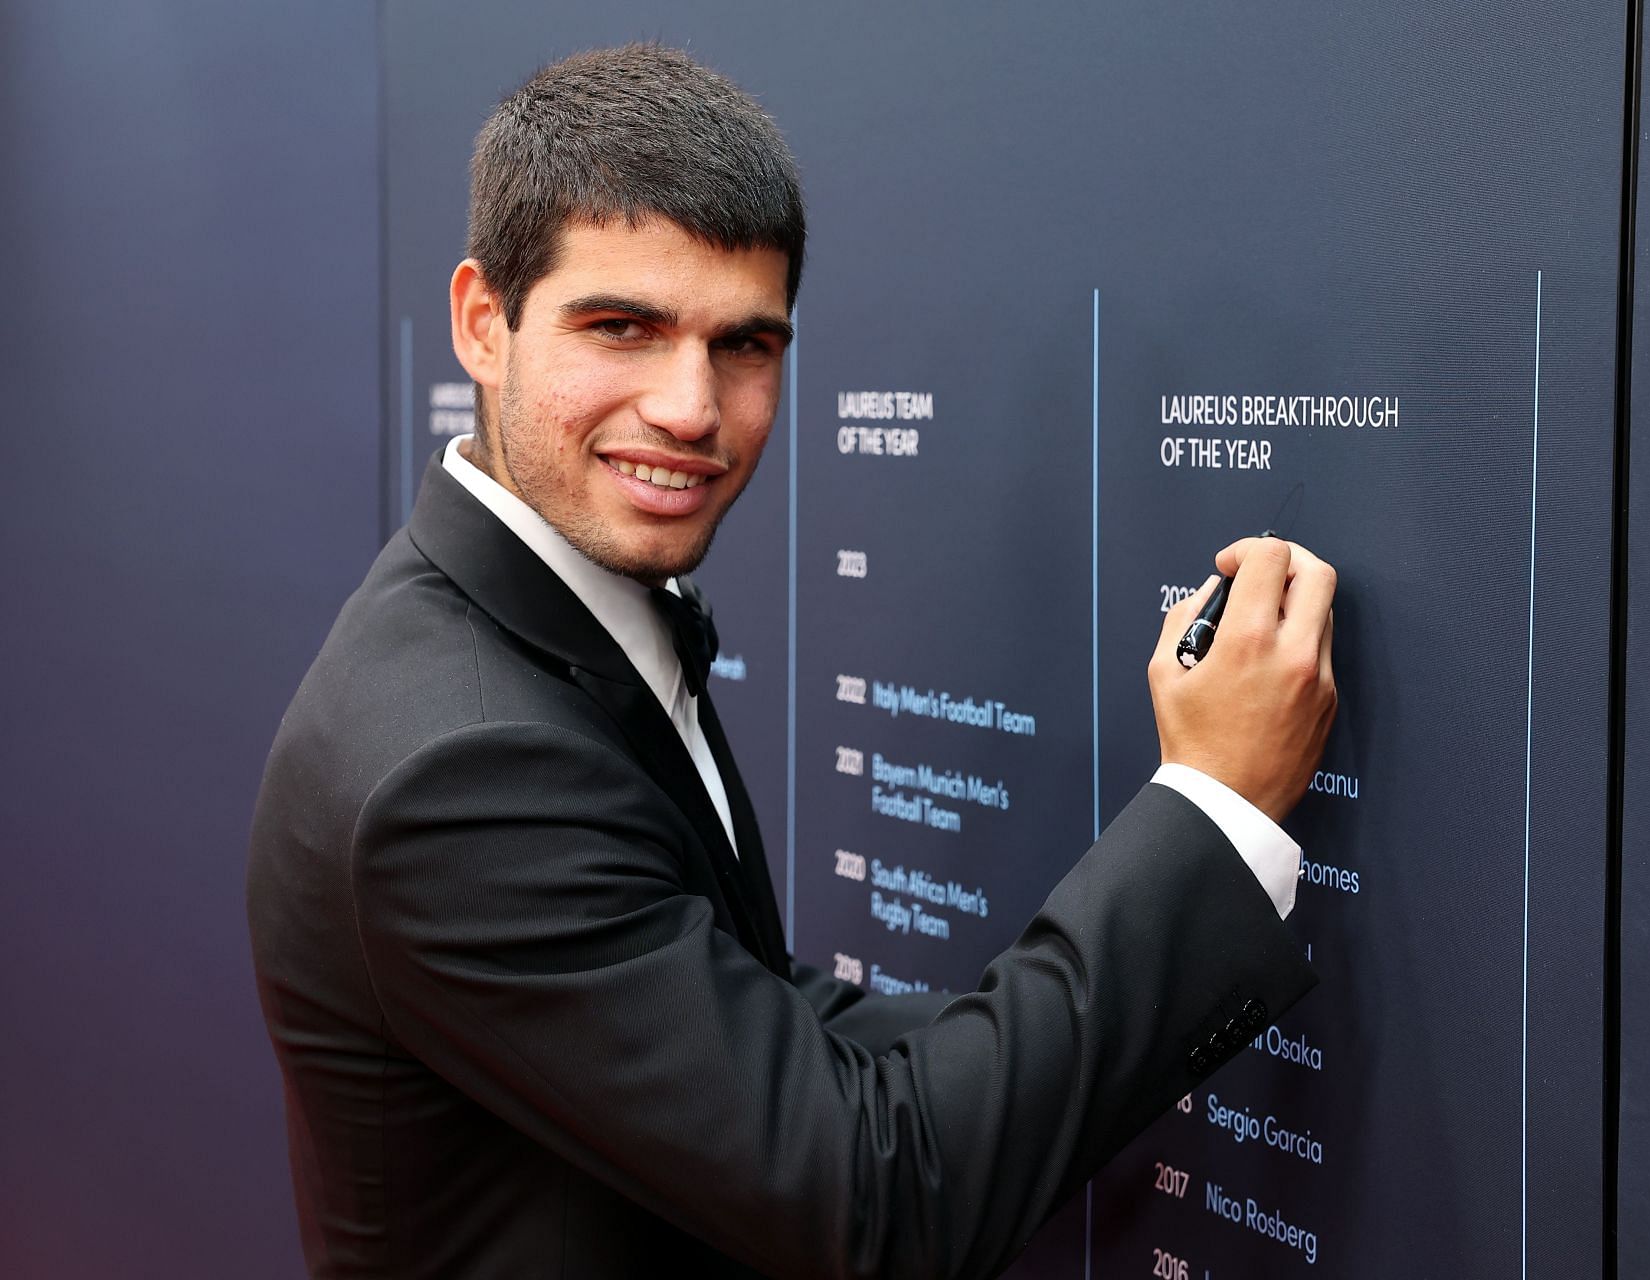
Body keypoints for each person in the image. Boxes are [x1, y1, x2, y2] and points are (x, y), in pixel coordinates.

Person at [247, 43, 1339, 1280]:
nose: (690, 406)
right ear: (483, 323)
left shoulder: (546, 627)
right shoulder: (459, 768)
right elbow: (871, 1199)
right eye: (623, 327)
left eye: (745, 345)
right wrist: (1215, 802)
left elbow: (751, 1017)